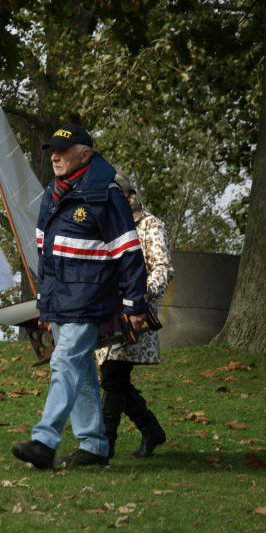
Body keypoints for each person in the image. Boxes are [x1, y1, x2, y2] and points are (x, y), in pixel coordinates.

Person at [11, 124, 148, 469]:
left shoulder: (107, 193)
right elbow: (45, 255)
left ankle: (44, 441)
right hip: (59, 301)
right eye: (52, 151)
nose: (54, 157)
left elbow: (128, 252)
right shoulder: (52, 193)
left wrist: (134, 304)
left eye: (63, 150)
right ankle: (95, 446)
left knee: (64, 363)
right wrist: (45, 304)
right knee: (82, 369)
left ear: (84, 154)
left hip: (90, 300)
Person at [95, 170, 174, 459]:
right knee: (113, 378)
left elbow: (162, 269)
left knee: (114, 375)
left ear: (129, 195)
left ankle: (106, 445)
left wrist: (140, 295)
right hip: (105, 314)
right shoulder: (105, 226)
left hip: (135, 313)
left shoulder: (150, 225)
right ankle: (151, 430)